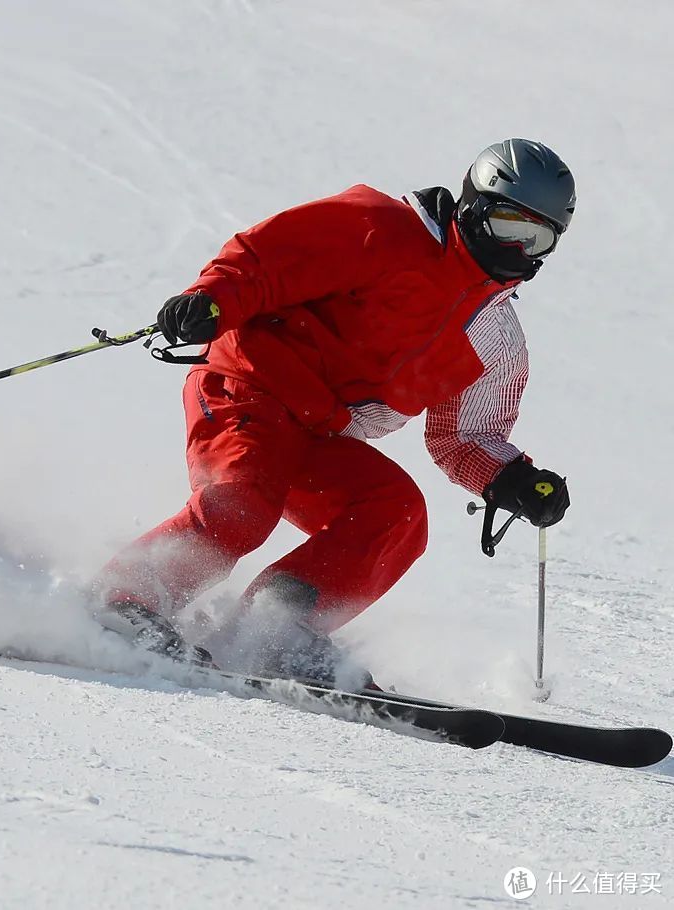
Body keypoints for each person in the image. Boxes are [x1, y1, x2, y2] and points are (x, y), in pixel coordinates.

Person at [94, 138, 574, 686]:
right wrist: (213, 299)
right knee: (247, 503)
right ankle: (122, 601)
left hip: (317, 429)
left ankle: (272, 629)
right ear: (473, 204)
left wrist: (509, 477)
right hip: (247, 385)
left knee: (396, 514)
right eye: (506, 225)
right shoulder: (383, 229)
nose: (515, 248)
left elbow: (462, 438)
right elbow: (267, 258)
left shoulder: (493, 335)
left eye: (534, 237)